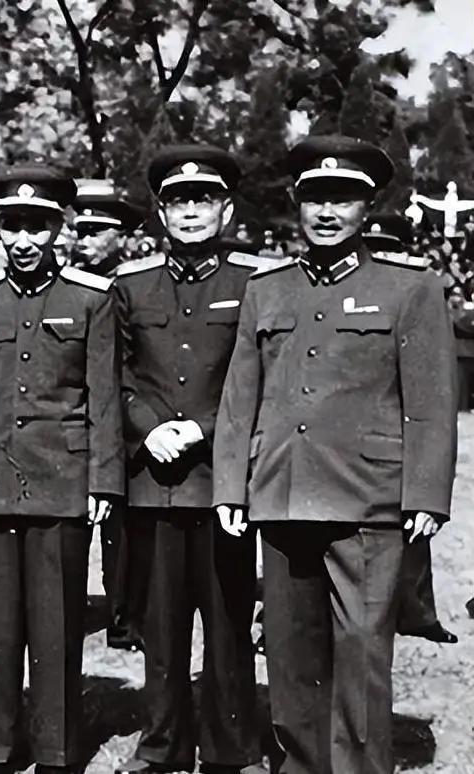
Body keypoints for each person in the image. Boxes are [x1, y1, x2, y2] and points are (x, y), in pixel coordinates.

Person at [214, 135, 458, 774]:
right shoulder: (268, 289)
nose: (327, 212)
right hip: (283, 493)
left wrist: (426, 495)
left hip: (368, 501)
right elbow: (240, 398)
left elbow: (431, 402)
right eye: (315, 198)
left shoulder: (409, 288)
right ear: (297, 202)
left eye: (343, 198)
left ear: (367, 207)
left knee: (361, 652)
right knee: (290, 652)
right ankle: (301, 764)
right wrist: (230, 488)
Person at [0, 165, 124, 774]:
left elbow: (104, 398)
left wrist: (103, 481)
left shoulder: (90, 299)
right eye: (12, 227)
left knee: (56, 626)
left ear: (58, 229)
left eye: (37, 227)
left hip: (61, 481)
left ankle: (55, 748)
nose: (23, 241)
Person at [113, 146, 265, 774]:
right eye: (178, 201)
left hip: (221, 483)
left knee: (228, 623)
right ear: (161, 212)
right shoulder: (130, 285)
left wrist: (200, 430)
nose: (192, 212)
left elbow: (257, 377)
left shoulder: (254, 283)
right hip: (154, 482)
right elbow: (117, 374)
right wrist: (147, 429)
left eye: (204, 200)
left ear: (226, 210)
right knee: (161, 627)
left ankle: (232, 747)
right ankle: (162, 745)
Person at [363, 215, 459, 646]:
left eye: (389, 248)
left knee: (414, 527)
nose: (381, 256)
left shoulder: (418, 291)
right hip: (352, 432)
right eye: (373, 247)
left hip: (404, 429)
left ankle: (417, 610)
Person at [69, 183, 142, 651]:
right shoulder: (70, 286)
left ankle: (124, 616)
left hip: (128, 418)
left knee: (123, 528)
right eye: (81, 231)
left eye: (97, 231)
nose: (86, 240)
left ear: (122, 237)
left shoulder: (132, 285)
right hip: (78, 418)